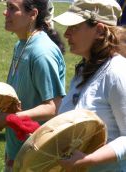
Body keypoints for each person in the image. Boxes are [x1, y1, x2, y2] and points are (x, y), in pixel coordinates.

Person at [0, 0, 66, 171]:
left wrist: (6, 119)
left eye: (12, 8)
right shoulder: (21, 44)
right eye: (7, 7)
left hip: (37, 153)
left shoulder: (42, 53)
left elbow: (53, 108)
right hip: (17, 145)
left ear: (32, 15)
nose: (5, 13)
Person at [53, 0, 126, 171]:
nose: (66, 34)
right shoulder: (84, 70)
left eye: (74, 27)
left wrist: (89, 159)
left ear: (99, 30)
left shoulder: (118, 72)